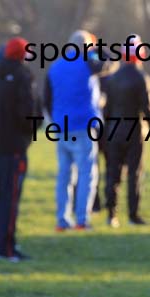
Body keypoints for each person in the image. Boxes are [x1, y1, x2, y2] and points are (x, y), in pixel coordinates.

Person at [0, 37, 42, 261]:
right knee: (10, 199)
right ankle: (6, 249)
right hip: (14, 146)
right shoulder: (23, 76)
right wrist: (33, 127)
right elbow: (28, 112)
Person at [45, 30, 108, 231]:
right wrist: (95, 49)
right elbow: (107, 61)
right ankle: (82, 218)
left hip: (61, 126)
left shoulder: (55, 67)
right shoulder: (88, 64)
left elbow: (47, 98)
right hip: (83, 125)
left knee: (64, 174)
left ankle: (61, 219)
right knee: (87, 173)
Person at [100, 36, 150, 227]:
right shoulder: (141, 77)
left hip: (113, 130)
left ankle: (112, 215)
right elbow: (149, 109)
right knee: (134, 174)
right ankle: (133, 216)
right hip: (134, 131)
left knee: (113, 173)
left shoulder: (112, 78)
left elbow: (106, 109)